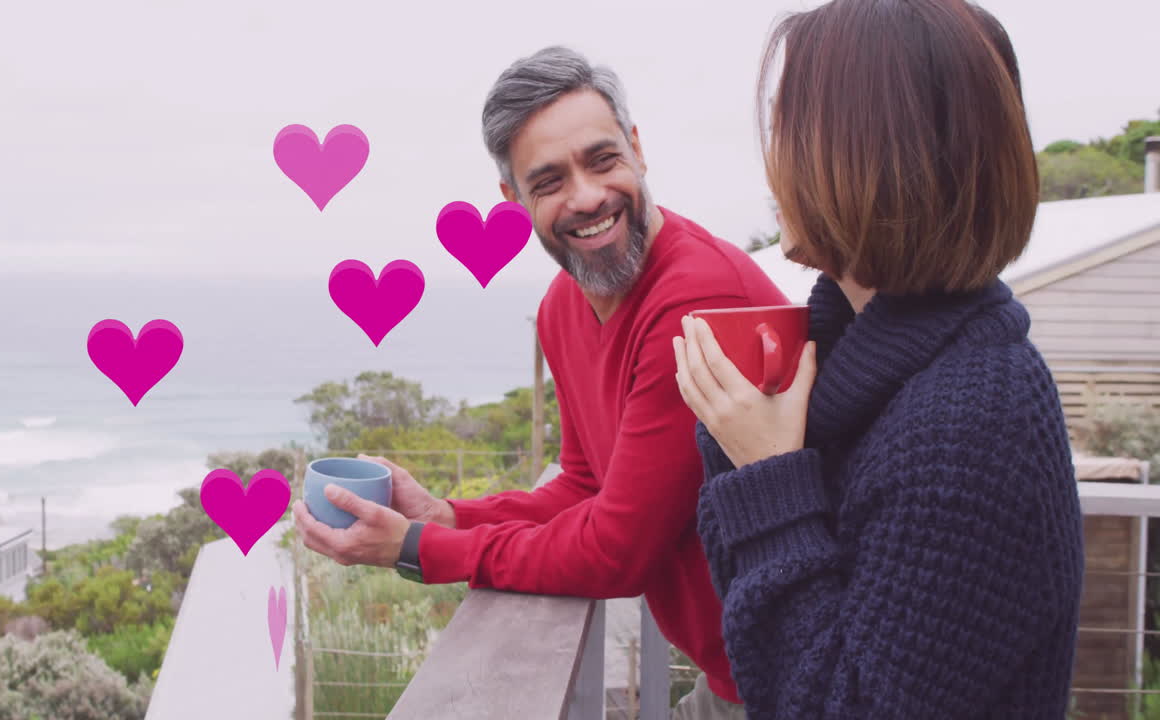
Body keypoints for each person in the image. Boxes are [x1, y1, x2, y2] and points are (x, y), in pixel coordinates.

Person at [293, 45, 789, 718]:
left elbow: (619, 551)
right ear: (513, 199)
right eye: (550, 180)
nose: (588, 196)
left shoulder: (695, 300)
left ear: (637, 149)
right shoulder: (564, 305)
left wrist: (420, 548)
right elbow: (586, 486)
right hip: (735, 670)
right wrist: (447, 516)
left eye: (604, 159)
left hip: (799, 679)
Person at [673, 1, 1085, 718]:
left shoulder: (975, 421)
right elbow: (763, 636)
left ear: (864, 152)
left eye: (788, 128)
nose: (773, 165)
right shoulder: (854, 371)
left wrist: (771, 479)